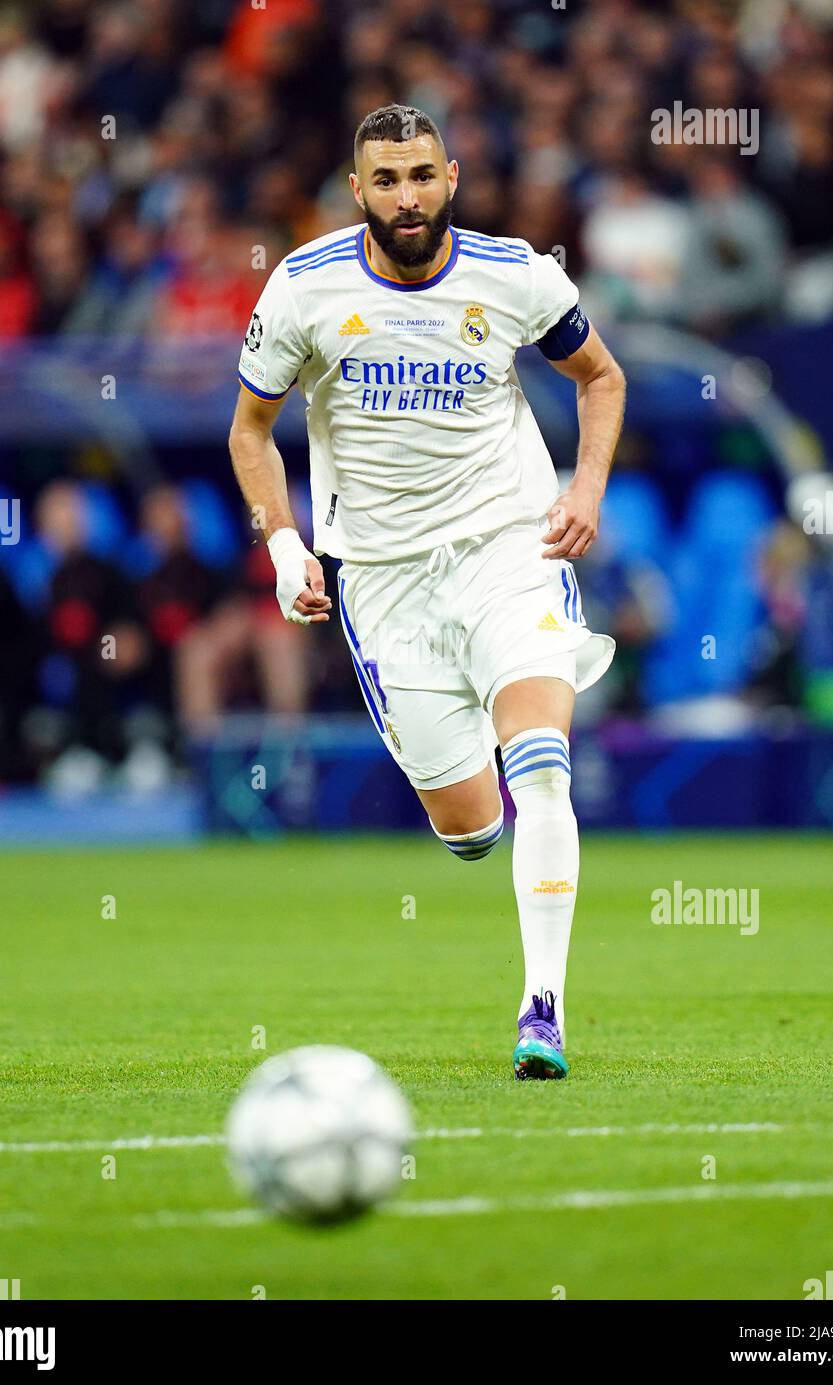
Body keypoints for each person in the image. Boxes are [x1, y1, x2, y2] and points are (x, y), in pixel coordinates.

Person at [229, 105, 625, 1081]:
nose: (407, 196)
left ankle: (544, 1010)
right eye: (386, 180)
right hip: (385, 583)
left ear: (452, 177)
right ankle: (474, 812)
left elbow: (601, 376)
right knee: (471, 827)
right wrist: (284, 545)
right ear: (357, 191)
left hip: (508, 549)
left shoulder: (519, 273)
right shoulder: (303, 288)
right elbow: (249, 430)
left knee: (542, 768)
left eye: (421, 175)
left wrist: (584, 488)